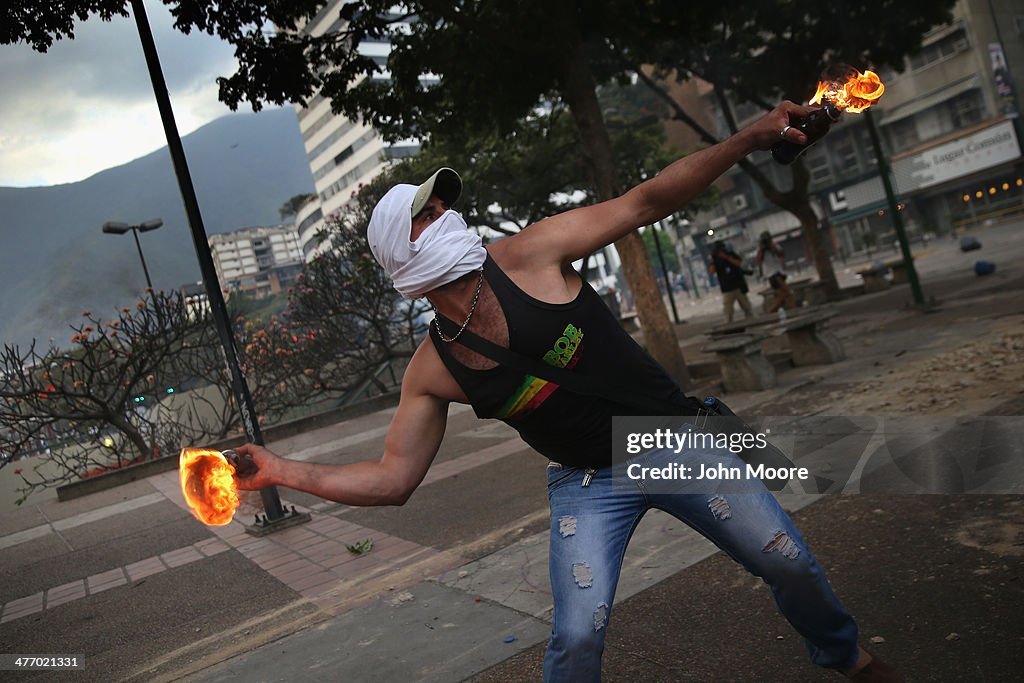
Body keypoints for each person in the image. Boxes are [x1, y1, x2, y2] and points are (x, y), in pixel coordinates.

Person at [233, 102, 898, 682]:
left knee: (791, 563)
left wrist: (746, 140)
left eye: (440, 203)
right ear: (399, 257)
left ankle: (847, 658)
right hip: (586, 480)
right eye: (425, 214)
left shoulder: (530, 254)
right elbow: (393, 478)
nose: (444, 213)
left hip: (673, 438)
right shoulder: (432, 368)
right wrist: (280, 469)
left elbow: (647, 201)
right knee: (576, 635)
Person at [708, 240, 754, 323]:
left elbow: (739, 263)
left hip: (738, 285)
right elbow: (711, 271)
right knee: (728, 310)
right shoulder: (715, 259)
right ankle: (729, 325)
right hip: (727, 288)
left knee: (747, 307)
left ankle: (751, 321)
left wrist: (727, 257)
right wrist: (713, 259)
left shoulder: (730, 254)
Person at [756, 230, 796, 314]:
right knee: (787, 292)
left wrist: (772, 248)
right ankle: (777, 310)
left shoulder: (775, 246)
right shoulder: (760, 250)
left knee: (782, 295)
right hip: (773, 274)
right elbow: (758, 260)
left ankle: (780, 310)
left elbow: (781, 255)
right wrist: (761, 249)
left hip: (779, 272)